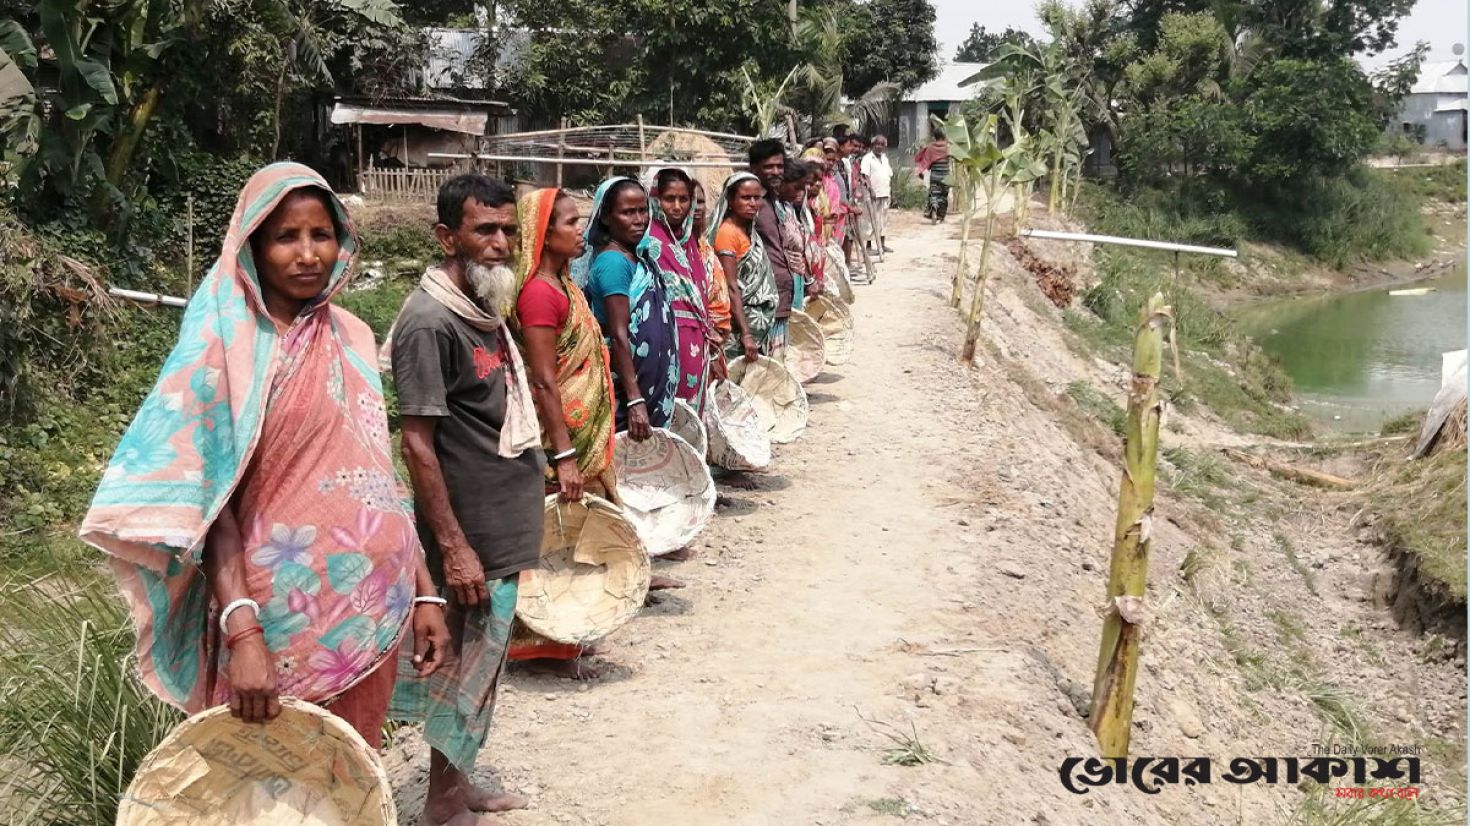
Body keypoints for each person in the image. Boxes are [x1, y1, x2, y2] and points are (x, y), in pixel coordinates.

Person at [79, 163, 450, 750]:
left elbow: (379, 472)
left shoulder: (351, 334)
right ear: (253, 245)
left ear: (341, 240)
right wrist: (242, 629)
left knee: (348, 774)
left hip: (375, 601)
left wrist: (425, 589)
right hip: (277, 612)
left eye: (320, 235)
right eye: (286, 238)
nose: (307, 255)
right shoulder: (227, 346)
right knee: (267, 784)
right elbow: (213, 500)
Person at [386, 173, 544, 824]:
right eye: (485, 230)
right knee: (457, 665)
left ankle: (458, 780)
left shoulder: (484, 304)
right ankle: (442, 802)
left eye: (509, 229)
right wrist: (452, 548)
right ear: (447, 235)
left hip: (500, 525)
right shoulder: (429, 322)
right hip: (468, 533)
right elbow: (418, 444)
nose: (500, 243)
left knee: (483, 663)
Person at [507, 186, 622, 677]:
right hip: (563, 437)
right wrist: (565, 454)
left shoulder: (565, 285)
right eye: (571, 223)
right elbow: (543, 380)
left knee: (578, 535)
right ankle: (540, 639)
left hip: (582, 430)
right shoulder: (537, 294)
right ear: (543, 233)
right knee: (555, 537)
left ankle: (568, 632)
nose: (581, 230)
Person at [575, 177, 677, 432]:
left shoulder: (636, 259)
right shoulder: (614, 263)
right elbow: (619, 335)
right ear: (606, 218)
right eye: (627, 212)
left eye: (643, 210)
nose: (639, 219)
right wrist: (635, 399)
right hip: (627, 389)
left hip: (645, 386)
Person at [647, 166, 721, 409]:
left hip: (695, 341)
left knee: (691, 415)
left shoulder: (689, 243)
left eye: (684, 199)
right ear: (656, 199)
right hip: (662, 343)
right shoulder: (649, 241)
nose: (677, 207)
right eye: (669, 199)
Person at [710, 171, 779, 360]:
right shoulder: (727, 233)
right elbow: (731, 287)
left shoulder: (748, 231)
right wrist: (746, 333)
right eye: (745, 198)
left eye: (757, 198)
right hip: (740, 325)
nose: (753, 203)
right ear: (730, 200)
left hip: (754, 321)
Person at [747, 139, 797, 352]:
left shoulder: (777, 202)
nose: (776, 172)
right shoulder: (750, 205)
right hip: (761, 304)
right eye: (768, 166)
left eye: (779, 166)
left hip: (781, 298)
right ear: (754, 168)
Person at [691, 179, 734, 351]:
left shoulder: (704, 248)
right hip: (695, 340)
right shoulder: (668, 252)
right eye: (691, 201)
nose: (697, 207)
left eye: (700, 201)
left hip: (716, 339)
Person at [861, 134, 894, 253]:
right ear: (873, 145)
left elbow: (889, 175)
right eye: (877, 144)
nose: (879, 146)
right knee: (871, 220)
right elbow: (865, 176)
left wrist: (891, 191)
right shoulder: (867, 158)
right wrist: (871, 190)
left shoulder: (885, 158)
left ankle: (882, 245)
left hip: (885, 192)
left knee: (883, 220)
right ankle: (869, 246)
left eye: (881, 144)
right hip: (873, 194)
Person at [915, 127, 952, 223]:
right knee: (943, 195)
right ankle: (941, 216)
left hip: (934, 174)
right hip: (945, 175)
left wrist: (920, 172)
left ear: (935, 137)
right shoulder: (948, 146)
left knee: (934, 194)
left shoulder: (930, 147)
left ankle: (934, 209)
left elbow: (925, 160)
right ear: (944, 135)